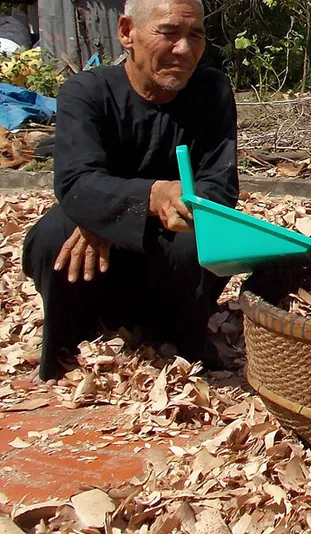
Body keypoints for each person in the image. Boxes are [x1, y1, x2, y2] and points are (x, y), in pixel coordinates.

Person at [22, 0, 239, 382]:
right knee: (54, 237)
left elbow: (219, 186)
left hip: (169, 250)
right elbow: (76, 181)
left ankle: (177, 337)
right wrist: (134, 204)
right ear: (127, 33)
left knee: (201, 239)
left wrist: (129, 212)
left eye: (195, 36)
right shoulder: (86, 92)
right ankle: (70, 345)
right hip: (98, 258)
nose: (184, 50)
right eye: (169, 33)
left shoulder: (212, 91)